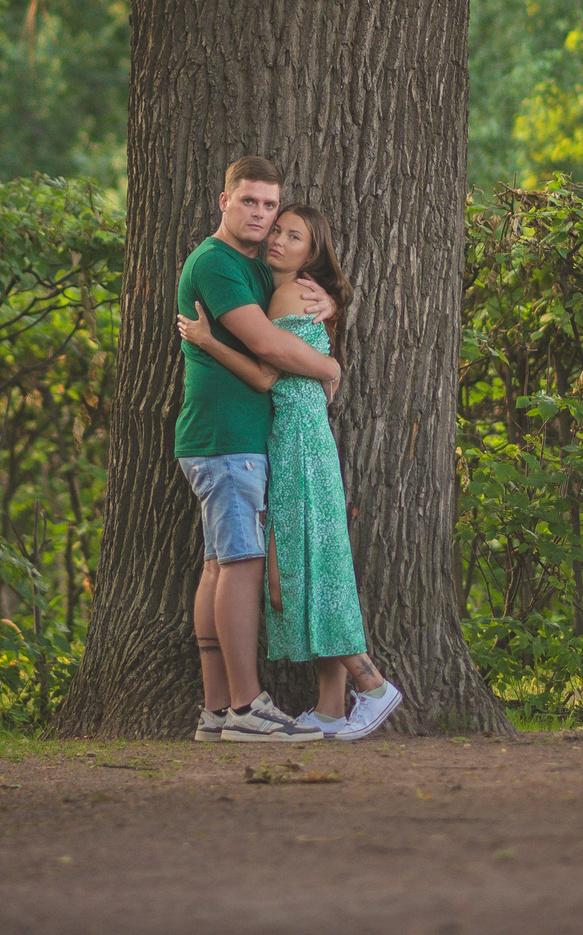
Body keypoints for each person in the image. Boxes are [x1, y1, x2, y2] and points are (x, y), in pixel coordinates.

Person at [178, 202, 404, 742]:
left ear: (312, 251)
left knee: (303, 564)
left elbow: (263, 371)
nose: (276, 238)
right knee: (308, 559)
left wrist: (209, 342)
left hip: (297, 442)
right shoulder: (272, 282)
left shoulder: (286, 292)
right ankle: (328, 705)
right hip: (290, 439)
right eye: (275, 230)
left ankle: (370, 685)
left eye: (291, 234)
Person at [174, 156, 337, 743]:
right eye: (250, 201)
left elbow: (294, 311)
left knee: (220, 564)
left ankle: (217, 710)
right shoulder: (216, 264)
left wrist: (329, 307)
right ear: (224, 200)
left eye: (271, 205)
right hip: (227, 439)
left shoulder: (253, 267)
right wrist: (329, 366)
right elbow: (269, 346)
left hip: (230, 440)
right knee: (241, 564)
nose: (262, 215)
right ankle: (247, 708)